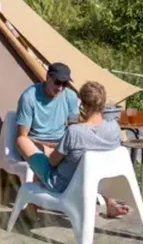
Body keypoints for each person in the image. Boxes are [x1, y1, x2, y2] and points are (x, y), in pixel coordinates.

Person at [18, 77, 130, 219]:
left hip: (64, 184)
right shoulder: (114, 127)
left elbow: (52, 162)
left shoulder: (75, 132)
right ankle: (110, 203)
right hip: (98, 183)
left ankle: (32, 210)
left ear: (82, 105)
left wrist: (48, 150)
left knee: (22, 141)